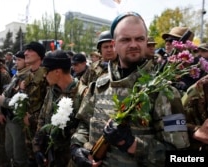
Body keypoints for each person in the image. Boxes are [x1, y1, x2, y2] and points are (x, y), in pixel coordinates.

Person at [69, 12, 190, 167]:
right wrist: (77, 148)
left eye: (139, 39)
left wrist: (133, 145)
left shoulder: (164, 92)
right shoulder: (99, 86)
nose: (133, 44)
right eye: (126, 39)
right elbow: (83, 126)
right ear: (114, 44)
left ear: (146, 41)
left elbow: (180, 158)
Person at [33, 50, 88, 167]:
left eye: (46, 71)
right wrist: (37, 147)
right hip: (52, 155)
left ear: (57, 71)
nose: (44, 75)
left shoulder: (82, 93)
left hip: (71, 159)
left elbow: (85, 129)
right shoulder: (51, 91)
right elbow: (42, 119)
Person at [0, 50, 30, 167]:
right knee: (9, 150)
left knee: (19, 154)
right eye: (16, 59)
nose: (16, 62)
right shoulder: (17, 75)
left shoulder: (27, 77)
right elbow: (4, 93)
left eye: (19, 60)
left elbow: (19, 103)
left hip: (18, 121)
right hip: (8, 118)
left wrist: (2, 101)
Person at [22, 41, 48, 166]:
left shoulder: (46, 75)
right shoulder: (28, 75)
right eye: (26, 50)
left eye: (30, 50)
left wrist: (31, 118)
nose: (26, 53)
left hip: (40, 130)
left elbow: (49, 106)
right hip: (28, 127)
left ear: (39, 55)